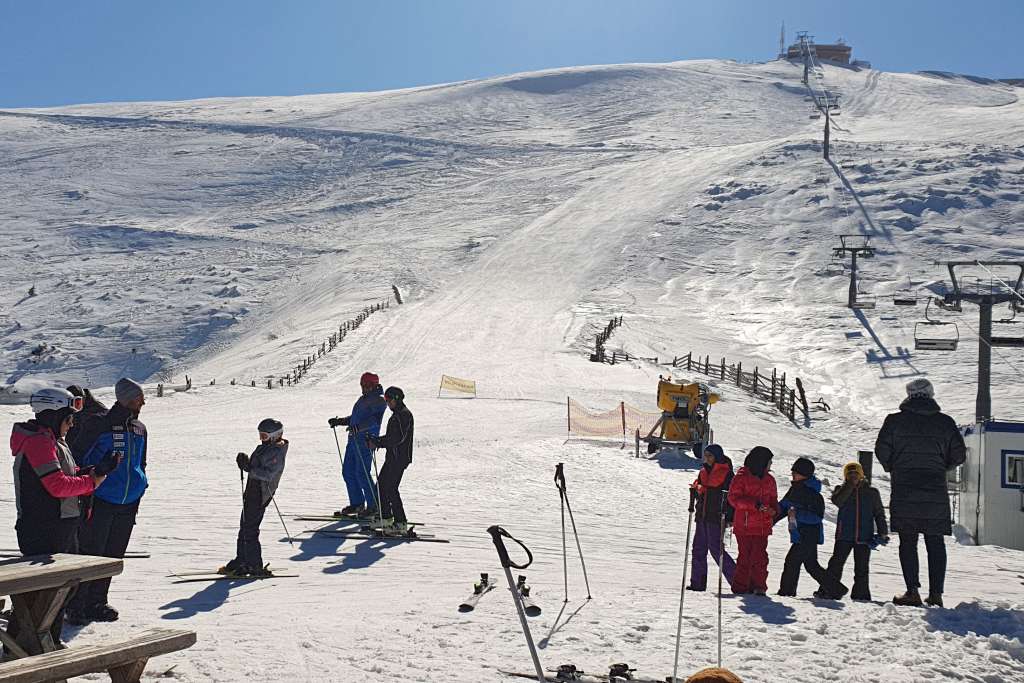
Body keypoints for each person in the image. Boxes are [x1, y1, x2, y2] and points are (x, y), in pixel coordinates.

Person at [8, 388, 115, 652]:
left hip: (61, 523)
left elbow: (68, 474)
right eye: (69, 418)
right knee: (42, 592)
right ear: (53, 416)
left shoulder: (53, 440)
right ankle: (25, 646)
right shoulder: (38, 442)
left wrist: (95, 471)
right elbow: (56, 485)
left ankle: (46, 642)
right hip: (44, 527)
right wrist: (91, 482)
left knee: (61, 588)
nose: (72, 424)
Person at [874, 377, 966, 607]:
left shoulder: (894, 421)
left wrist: (894, 467)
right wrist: (940, 467)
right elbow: (959, 455)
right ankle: (936, 594)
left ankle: (912, 592)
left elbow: (881, 450)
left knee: (908, 541)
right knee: (935, 542)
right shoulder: (945, 422)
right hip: (935, 491)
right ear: (931, 394)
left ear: (909, 395)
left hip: (904, 489)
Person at [66, 378, 149, 625]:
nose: (143, 402)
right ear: (126, 399)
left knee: (113, 555)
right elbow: (76, 459)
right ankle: (77, 604)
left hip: (129, 501)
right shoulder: (99, 424)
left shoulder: (140, 428)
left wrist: (141, 484)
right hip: (100, 498)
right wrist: (96, 472)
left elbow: (142, 462)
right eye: (139, 398)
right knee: (92, 553)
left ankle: (97, 602)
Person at [220, 419, 288, 578]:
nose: (261, 439)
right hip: (252, 491)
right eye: (260, 435)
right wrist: (245, 461)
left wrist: (249, 468)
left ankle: (254, 564)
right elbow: (255, 465)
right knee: (244, 526)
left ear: (275, 435)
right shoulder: (265, 447)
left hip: (261, 493)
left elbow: (268, 474)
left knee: (250, 528)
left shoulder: (277, 452)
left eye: (264, 436)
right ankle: (242, 559)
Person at [776, 457, 848, 599]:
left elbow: (817, 517)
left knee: (792, 561)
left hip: (809, 535)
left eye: (796, 472)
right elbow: (784, 506)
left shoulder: (814, 494)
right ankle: (837, 589)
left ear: (805, 474)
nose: (793, 474)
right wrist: (770, 518)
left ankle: (786, 592)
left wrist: (797, 514)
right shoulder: (794, 489)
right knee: (811, 565)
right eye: (793, 472)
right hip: (799, 533)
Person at [825, 462, 888, 601]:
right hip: (844, 535)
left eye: (856, 474)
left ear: (861, 475)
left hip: (864, 536)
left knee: (862, 568)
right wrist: (849, 486)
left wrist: (883, 531)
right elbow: (838, 501)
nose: (853, 476)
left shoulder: (872, 492)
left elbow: (879, 513)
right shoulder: (840, 490)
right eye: (850, 474)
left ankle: (861, 595)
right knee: (836, 564)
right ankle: (828, 591)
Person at [328, 372, 386, 517]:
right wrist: (340, 421)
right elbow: (355, 418)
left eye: (367, 385)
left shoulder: (379, 400)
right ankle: (357, 503)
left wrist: (358, 428)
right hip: (353, 440)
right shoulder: (363, 399)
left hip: (366, 441)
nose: (364, 388)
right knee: (348, 472)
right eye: (362, 385)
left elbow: (375, 420)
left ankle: (373, 506)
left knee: (362, 473)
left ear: (374, 385)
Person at [726, 446, 777, 595]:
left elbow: (773, 499)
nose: (770, 465)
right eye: (769, 462)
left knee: (760, 557)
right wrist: (754, 505)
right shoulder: (741, 477)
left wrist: (774, 510)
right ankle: (741, 587)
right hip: (745, 525)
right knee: (745, 557)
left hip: (762, 525)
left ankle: (759, 586)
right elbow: (733, 499)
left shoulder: (769, 480)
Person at [687, 444, 736, 591]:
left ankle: (737, 581)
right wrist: (696, 491)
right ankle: (697, 583)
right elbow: (702, 493)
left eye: (710, 456)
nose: (707, 458)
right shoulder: (703, 472)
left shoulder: (727, 473)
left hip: (717, 516)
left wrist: (729, 517)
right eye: (706, 455)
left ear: (717, 457)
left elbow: (730, 497)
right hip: (702, 515)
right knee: (698, 548)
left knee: (716, 550)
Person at [367, 386, 414, 534]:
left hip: (399, 458)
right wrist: (377, 440)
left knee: (391, 488)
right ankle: (386, 517)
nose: (387, 403)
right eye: (386, 400)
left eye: (389, 400)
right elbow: (392, 437)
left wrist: (378, 442)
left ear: (396, 399)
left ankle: (400, 522)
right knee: (381, 486)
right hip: (393, 457)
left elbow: (397, 438)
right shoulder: (397, 414)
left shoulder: (404, 415)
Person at [65, 385, 108, 461]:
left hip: (89, 451)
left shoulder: (98, 409)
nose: (73, 405)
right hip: (71, 450)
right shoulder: (70, 408)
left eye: (77, 402)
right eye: (69, 402)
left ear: (83, 398)